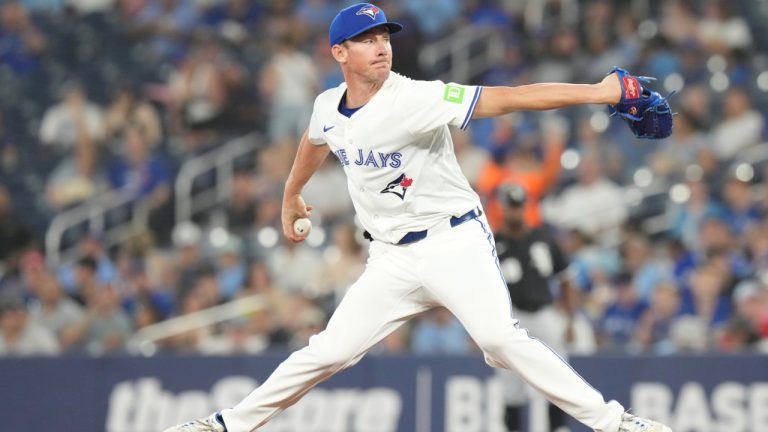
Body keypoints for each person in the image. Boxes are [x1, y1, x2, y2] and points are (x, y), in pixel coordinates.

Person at [164, 4, 672, 432]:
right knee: (329, 351)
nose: (381, 45)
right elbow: (316, 139)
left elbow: (510, 98)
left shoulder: (415, 98)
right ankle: (227, 424)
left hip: (453, 241)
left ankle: (616, 424)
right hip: (390, 257)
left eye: (383, 35)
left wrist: (602, 92)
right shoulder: (326, 105)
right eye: (366, 39)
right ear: (340, 53)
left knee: (498, 339)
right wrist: (291, 194)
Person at [493, 183, 577, 432]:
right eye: (511, 207)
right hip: (511, 318)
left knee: (559, 375)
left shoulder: (544, 239)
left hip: (545, 313)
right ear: (503, 208)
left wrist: (570, 320)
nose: (515, 212)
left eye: (519, 206)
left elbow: (565, 279)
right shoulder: (492, 242)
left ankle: (559, 428)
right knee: (510, 383)